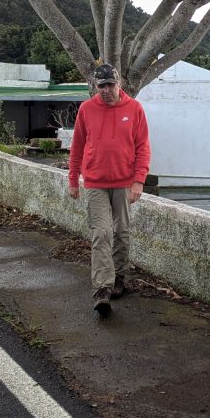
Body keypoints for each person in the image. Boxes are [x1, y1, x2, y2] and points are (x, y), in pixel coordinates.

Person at [67, 63, 151, 316]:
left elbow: (143, 147)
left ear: (119, 84)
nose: (106, 90)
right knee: (101, 234)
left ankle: (119, 278)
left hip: (125, 182)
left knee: (122, 232)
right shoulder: (87, 109)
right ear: (95, 86)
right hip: (95, 183)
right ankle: (102, 289)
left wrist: (139, 180)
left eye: (110, 85)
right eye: (101, 86)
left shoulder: (134, 109)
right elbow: (77, 146)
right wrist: (73, 179)